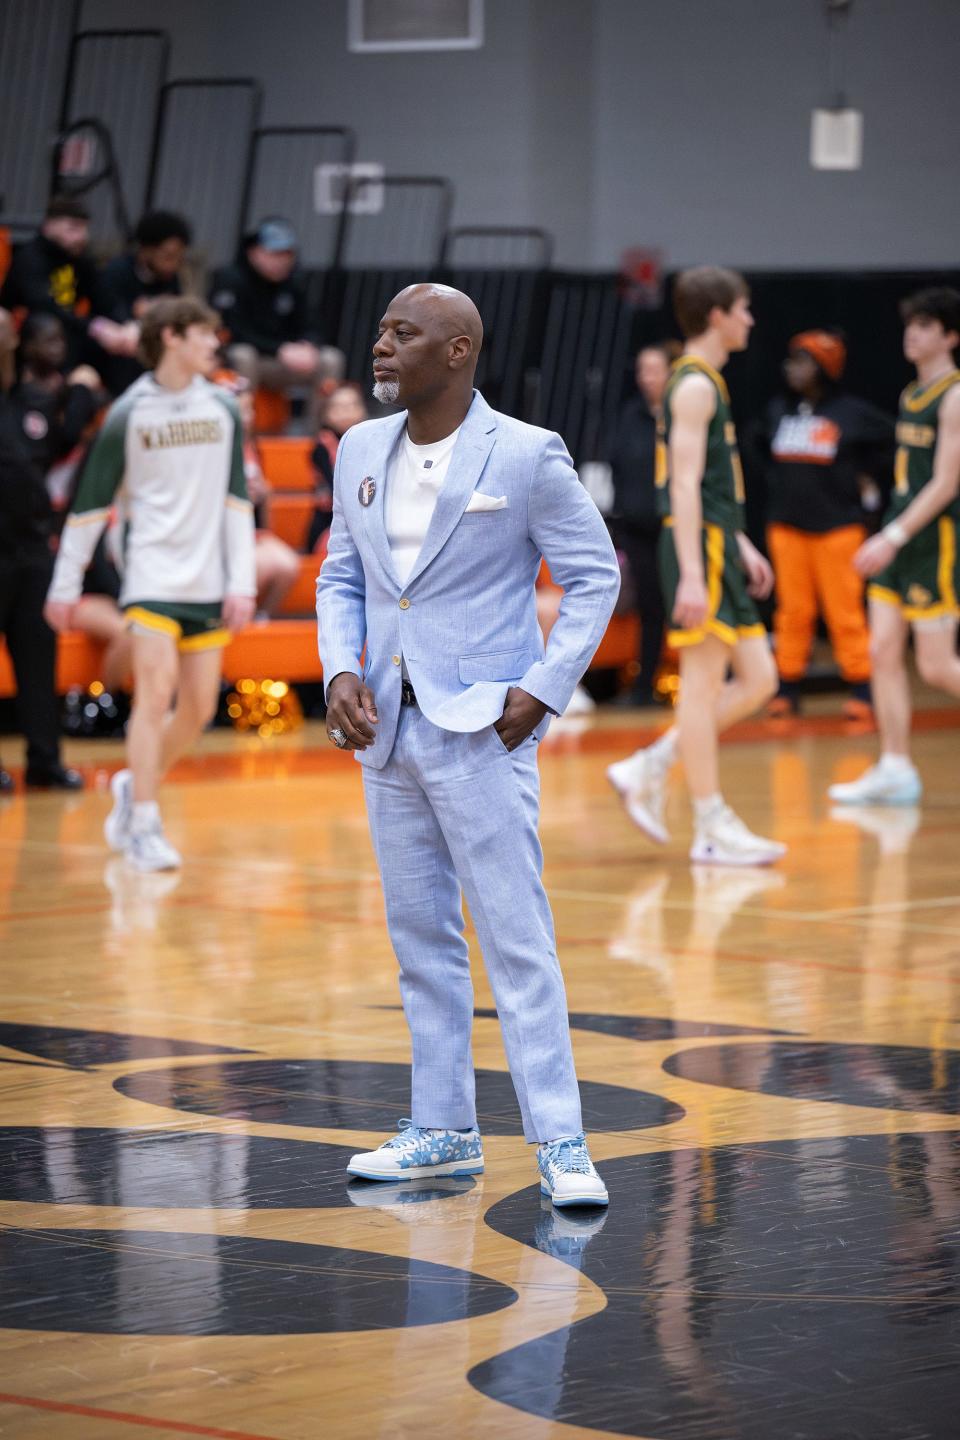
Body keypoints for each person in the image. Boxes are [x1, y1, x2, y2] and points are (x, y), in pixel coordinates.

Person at [317, 283, 620, 1206]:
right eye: (379, 331)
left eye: (402, 334)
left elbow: (594, 575)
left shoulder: (527, 454)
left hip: (484, 728)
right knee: (422, 942)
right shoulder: (360, 447)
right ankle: (442, 1128)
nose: (380, 347)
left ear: (457, 352)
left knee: (516, 941)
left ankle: (562, 1143)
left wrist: (541, 688)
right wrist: (338, 671)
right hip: (388, 732)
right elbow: (342, 574)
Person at [44, 297, 256, 869]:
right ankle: (142, 819)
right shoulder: (128, 413)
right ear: (172, 337)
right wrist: (64, 586)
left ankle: (132, 784)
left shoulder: (223, 408)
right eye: (205, 335)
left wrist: (243, 581)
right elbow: (89, 506)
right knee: (154, 692)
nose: (215, 345)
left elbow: (237, 499)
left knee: (197, 709)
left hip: (208, 578)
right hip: (150, 574)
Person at [607, 267, 783, 866]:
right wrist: (690, 571)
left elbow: (709, 483)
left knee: (760, 680)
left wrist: (739, 541)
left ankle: (652, 763)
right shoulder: (694, 386)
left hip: (716, 543)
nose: (750, 320)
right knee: (704, 686)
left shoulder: (704, 380)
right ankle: (709, 823)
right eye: (744, 309)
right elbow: (681, 485)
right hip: (696, 551)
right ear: (717, 315)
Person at [829, 288, 960, 806]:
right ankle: (896, 766)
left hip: (931, 541)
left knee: (934, 666)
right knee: (881, 652)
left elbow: (947, 482)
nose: (913, 333)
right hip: (898, 536)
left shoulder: (954, 395)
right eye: (911, 324)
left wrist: (895, 535)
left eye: (926, 325)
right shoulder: (912, 394)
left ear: (950, 336)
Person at [751, 330, 894, 718]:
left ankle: (863, 689)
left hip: (839, 528)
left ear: (824, 367)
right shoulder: (779, 409)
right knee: (792, 612)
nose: (792, 369)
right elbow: (757, 445)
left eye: (802, 361)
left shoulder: (852, 413)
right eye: (791, 361)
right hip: (787, 526)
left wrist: (867, 480)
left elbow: (892, 442)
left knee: (844, 612)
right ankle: (787, 687)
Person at [0, 308, 82, 791]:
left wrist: (81, 390)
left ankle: (44, 761)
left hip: (31, 552)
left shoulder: (31, 402)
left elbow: (66, 444)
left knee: (37, 660)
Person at [209, 218, 343, 425]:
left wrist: (308, 345)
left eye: (287, 254)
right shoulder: (231, 279)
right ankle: (243, 437)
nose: (282, 260)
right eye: (275, 253)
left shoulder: (294, 281)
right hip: (252, 361)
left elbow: (313, 324)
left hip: (285, 363)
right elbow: (231, 330)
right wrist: (280, 349)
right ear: (253, 252)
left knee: (331, 358)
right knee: (243, 354)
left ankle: (320, 439)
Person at [0, 196, 135, 370]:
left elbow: (103, 295)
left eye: (85, 228)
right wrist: (95, 327)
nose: (82, 236)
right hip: (28, 339)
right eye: (73, 228)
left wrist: (125, 325)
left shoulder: (79, 258)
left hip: (70, 330)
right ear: (49, 226)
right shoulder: (29, 258)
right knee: (47, 326)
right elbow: (43, 305)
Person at [609, 343, 674, 705]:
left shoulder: (683, 417)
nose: (646, 378)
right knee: (649, 609)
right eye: (642, 370)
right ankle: (643, 686)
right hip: (636, 530)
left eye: (654, 369)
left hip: (676, 530)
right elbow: (618, 467)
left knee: (684, 606)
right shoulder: (630, 415)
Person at [98, 210, 192, 393]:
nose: (174, 264)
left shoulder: (171, 279)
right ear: (146, 250)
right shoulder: (117, 272)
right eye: (168, 256)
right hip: (113, 349)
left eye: (179, 257)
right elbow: (111, 313)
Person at [307, 381, 368, 552]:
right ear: (325, 414)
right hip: (329, 519)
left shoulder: (368, 441)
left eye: (352, 406)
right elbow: (335, 486)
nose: (346, 413)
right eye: (338, 408)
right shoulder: (322, 446)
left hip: (360, 514)